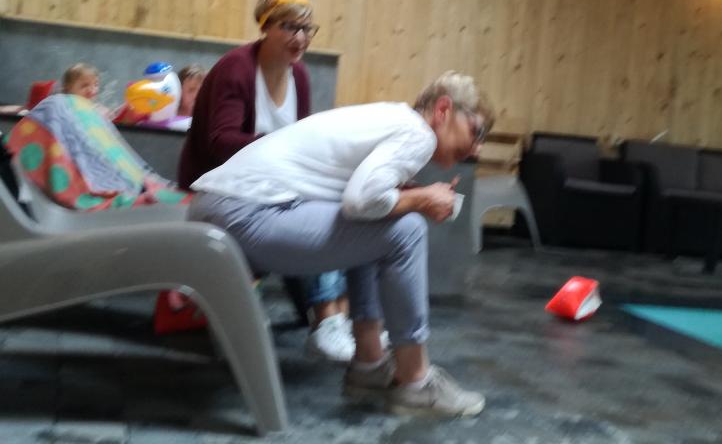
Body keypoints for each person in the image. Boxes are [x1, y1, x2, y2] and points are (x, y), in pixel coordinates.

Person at [187, 70, 493, 417]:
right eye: (477, 131)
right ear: (443, 110)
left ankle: (369, 363)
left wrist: (407, 197)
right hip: (243, 213)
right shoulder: (418, 134)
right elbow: (361, 201)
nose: (478, 147)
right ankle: (415, 381)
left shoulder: (394, 119)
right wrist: (421, 199)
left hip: (220, 207)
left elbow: (361, 202)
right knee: (407, 230)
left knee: (386, 220)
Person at [177, 0, 353, 362]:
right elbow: (220, 142)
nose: (300, 38)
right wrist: (281, 148)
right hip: (222, 188)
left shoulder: (299, 75)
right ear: (266, 26)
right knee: (313, 212)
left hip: (272, 185)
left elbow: (301, 138)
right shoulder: (236, 69)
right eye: (289, 27)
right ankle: (319, 317)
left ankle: (332, 321)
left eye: (306, 29)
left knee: (336, 205)